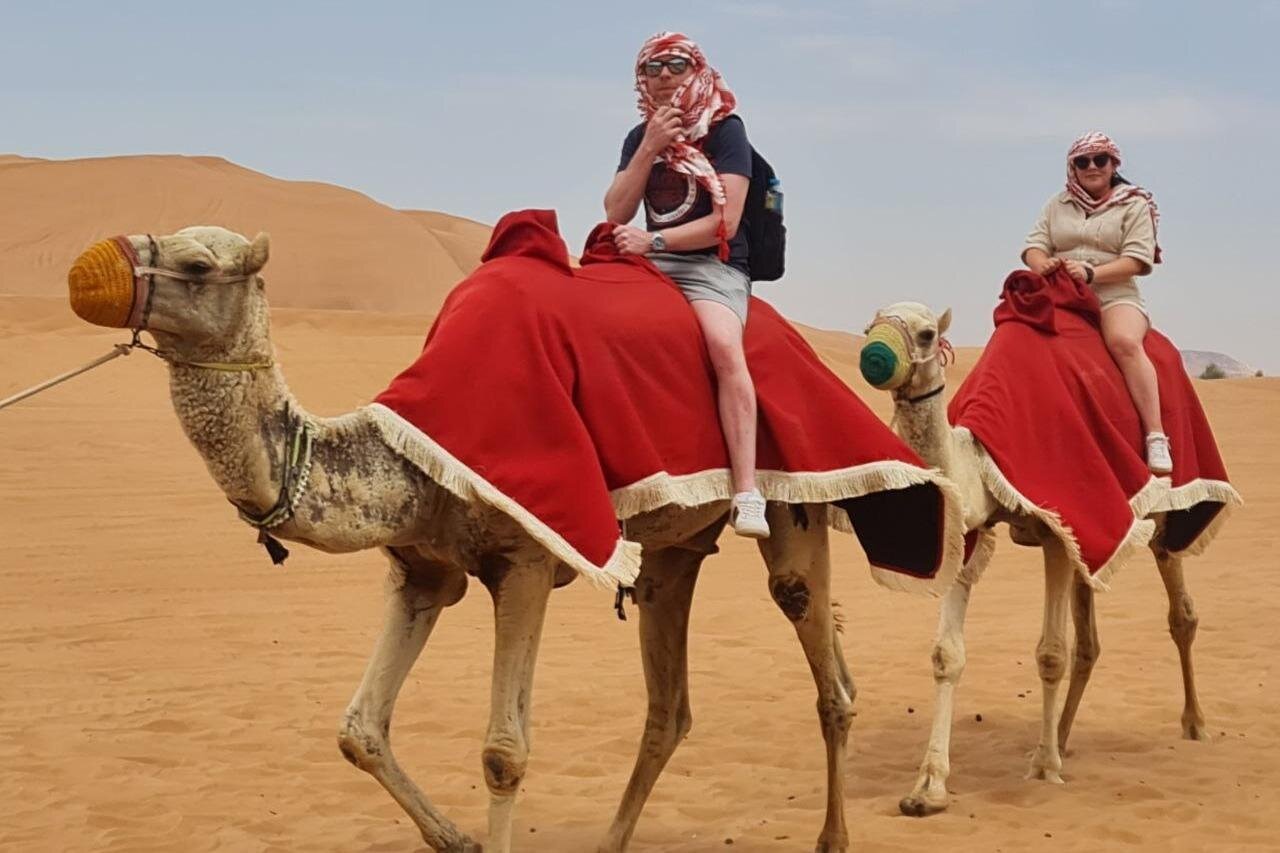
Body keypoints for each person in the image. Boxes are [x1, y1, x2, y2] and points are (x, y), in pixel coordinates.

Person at [604, 31, 770, 537]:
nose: (664, 76)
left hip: (711, 266)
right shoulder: (640, 137)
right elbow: (616, 211)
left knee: (723, 346)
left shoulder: (725, 131)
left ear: (697, 70)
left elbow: (727, 222)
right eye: (652, 68)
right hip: (650, 262)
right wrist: (650, 146)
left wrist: (653, 242)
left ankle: (747, 491)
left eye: (676, 65)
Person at [1022, 131, 1172, 475]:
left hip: (1113, 294)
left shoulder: (1134, 204)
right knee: (1017, 334)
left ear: (1113, 164)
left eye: (1100, 160)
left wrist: (1092, 273)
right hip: (1061, 293)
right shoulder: (1057, 204)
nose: (1092, 167)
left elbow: (1137, 260)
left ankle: (1155, 435)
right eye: (1083, 161)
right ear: (1073, 168)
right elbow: (1034, 245)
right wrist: (1041, 263)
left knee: (1123, 342)